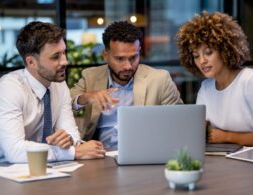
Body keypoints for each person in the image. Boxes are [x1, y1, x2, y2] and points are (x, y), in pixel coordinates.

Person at [0, 21, 105, 166]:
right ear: (31, 62)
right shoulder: (7, 90)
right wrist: (73, 152)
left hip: (32, 168)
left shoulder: (59, 85)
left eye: (64, 52)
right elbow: (15, 151)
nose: (65, 61)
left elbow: (71, 133)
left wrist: (69, 141)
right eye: (55, 56)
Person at [70, 21, 183, 150]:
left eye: (133, 58)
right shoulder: (91, 76)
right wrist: (86, 97)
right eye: (120, 59)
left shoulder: (160, 79)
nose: (128, 66)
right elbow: (66, 104)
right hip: (101, 154)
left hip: (144, 152)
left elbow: (179, 121)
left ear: (139, 51)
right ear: (105, 55)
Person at [176, 11, 253, 146]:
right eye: (196, 55)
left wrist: (227, 136)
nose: (202, 61)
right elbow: (196, 133)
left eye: (208, 52)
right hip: (221, 160)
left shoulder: (252, 81)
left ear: (225, 50)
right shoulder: (206, 88)